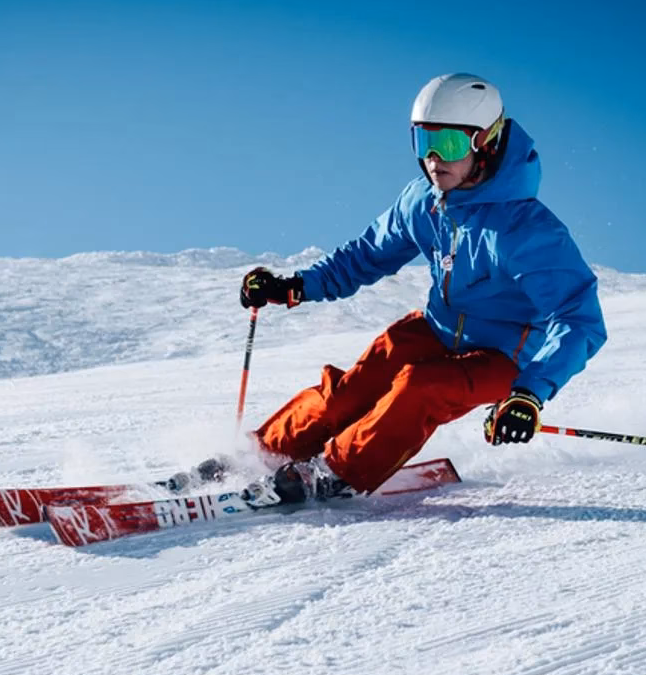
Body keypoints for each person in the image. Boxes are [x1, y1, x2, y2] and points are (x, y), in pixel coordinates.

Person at [219, 72, 607, 506]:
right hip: (437, 329)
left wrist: (529, 394)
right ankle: (263, 454)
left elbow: (578, 320)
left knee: (420, 387)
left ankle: (333, 473)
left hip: (504, 357)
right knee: (349, 393)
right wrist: (294, 286)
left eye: (450, 144)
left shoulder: (526, 230)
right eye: (424, 142)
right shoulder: (423, 201)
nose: (434, 159)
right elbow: (366, 256)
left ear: (486, 142)